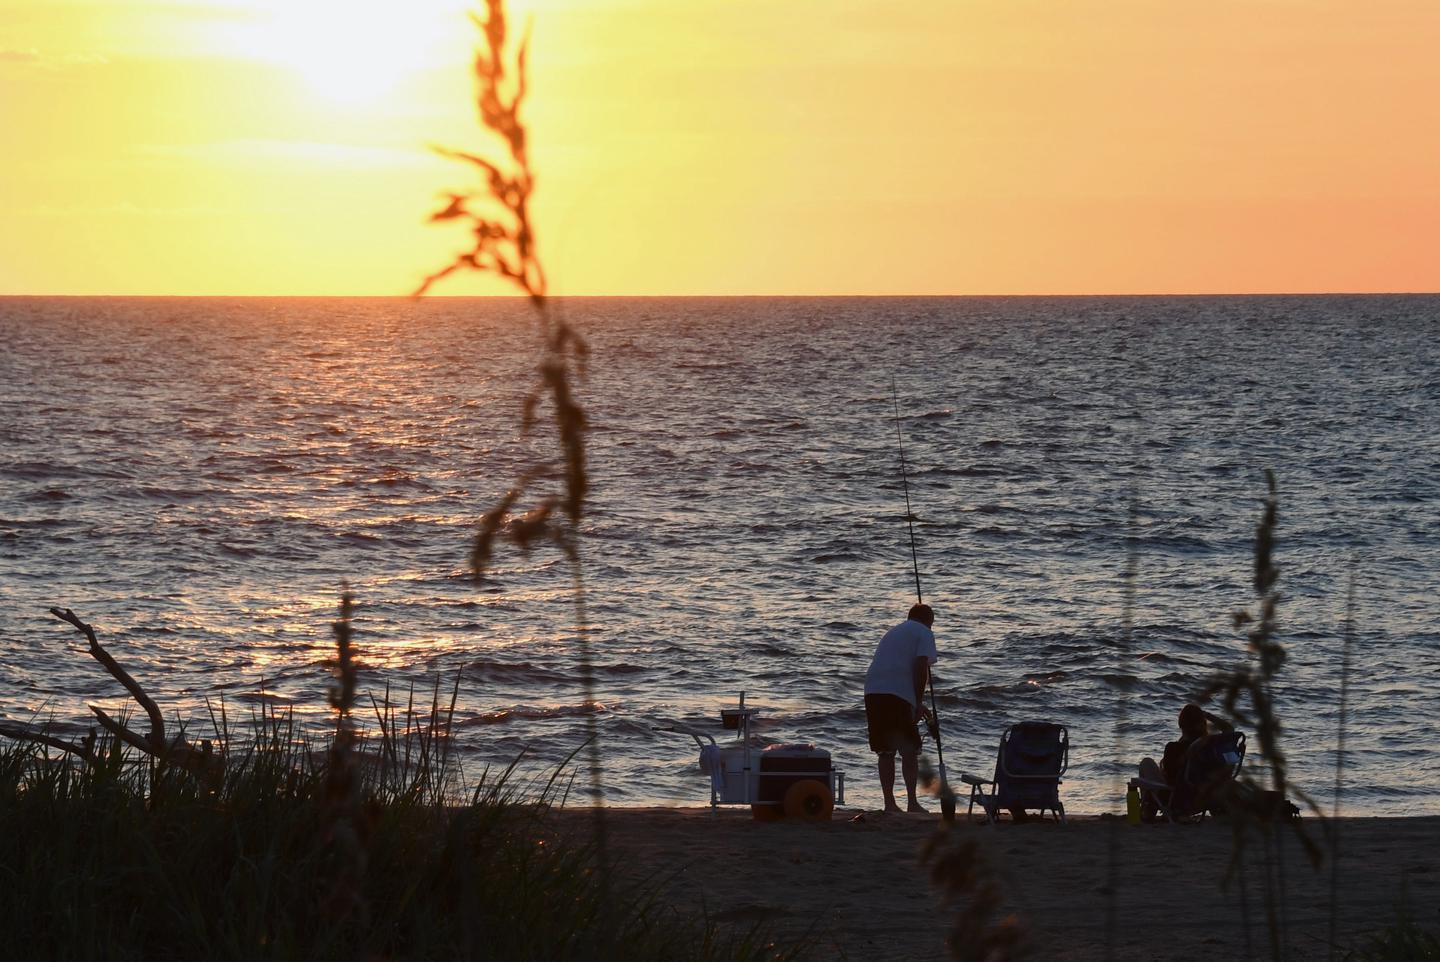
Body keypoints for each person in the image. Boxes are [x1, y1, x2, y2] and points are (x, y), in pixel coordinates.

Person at [864, 603, 938, 814]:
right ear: (928, 621)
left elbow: (897, 666)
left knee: (885, 750)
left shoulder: (894, 632)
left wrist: (915, 703)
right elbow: (920, 668)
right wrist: (917, 702)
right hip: (896, 694)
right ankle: (912, 802)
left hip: (872, 690)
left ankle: (889, 804)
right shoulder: (923, 632)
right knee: (909, 749)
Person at [1137, 703, 1234, 820]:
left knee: (1146, 763)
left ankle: (1148, 812)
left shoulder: (1174, 748)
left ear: (1181, 725)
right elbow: (1229, 730)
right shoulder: (1211, 746)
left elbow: (1170, 779)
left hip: (1177, 801)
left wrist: (1163, 771)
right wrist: (1206, 715)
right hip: (1205, 799)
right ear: (1203, 723)